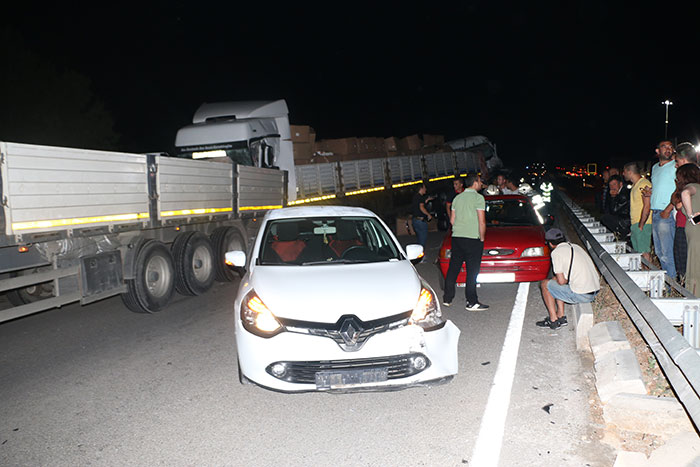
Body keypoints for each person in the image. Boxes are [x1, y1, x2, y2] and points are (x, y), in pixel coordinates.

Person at [537, 228, 600, 330]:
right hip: (594, 290)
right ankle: (561, 317)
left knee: (545, 284)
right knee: (555, 282)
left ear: (550, 244)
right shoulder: (575, 246)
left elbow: (561, 282)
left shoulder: (556, 253)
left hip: (583, 294)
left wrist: (555, 280)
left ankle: (553, 320)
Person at [442, 173, 489, 311]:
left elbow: (452, 220)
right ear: (475, 182)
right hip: (472, 239)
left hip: (457, 238)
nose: (481, 184)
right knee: (472, 271)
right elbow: (482, 221)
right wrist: (482, 238)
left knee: (453, 268)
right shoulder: (478, 198)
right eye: (480, 181)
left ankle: (447, 298)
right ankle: (472, 302)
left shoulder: (457, 198)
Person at [650, 140, 677, 278]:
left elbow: (680, 188)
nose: (668, 149)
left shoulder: (676, 166)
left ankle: (672, 285)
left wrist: (668, 209)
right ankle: (668, 285)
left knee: (667, 253)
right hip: (654, 213)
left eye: (670, 147)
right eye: (664, 147)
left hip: (666, 214)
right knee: (659, 253)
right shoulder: (655, 168)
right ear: (657, 151)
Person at [670, 144, 697, 280]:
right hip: (682, 225)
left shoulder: (693, 179)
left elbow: (679, 202)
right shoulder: (684, 179)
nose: (675, 165)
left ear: (684, 160)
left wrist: (691, 214)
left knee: (686, 265)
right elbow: (675, 198)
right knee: (681, 263)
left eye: (677, 161)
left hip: (690, 228)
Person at [624, 162, 652, 262]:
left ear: (629, 172)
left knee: (644, 252)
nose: (623, 174)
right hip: (636, 223)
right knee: (639, 252)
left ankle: (648, 275)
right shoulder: (635, 185)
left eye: (624, 171)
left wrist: (641, 224)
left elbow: (647, 205)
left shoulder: (644, 184)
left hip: (643, 223)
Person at [678, 163, 700, 295]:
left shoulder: (691, 187)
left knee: (694, 263)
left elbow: (685, 193)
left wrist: (691, 215)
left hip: (695, 231)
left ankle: (694, 295)